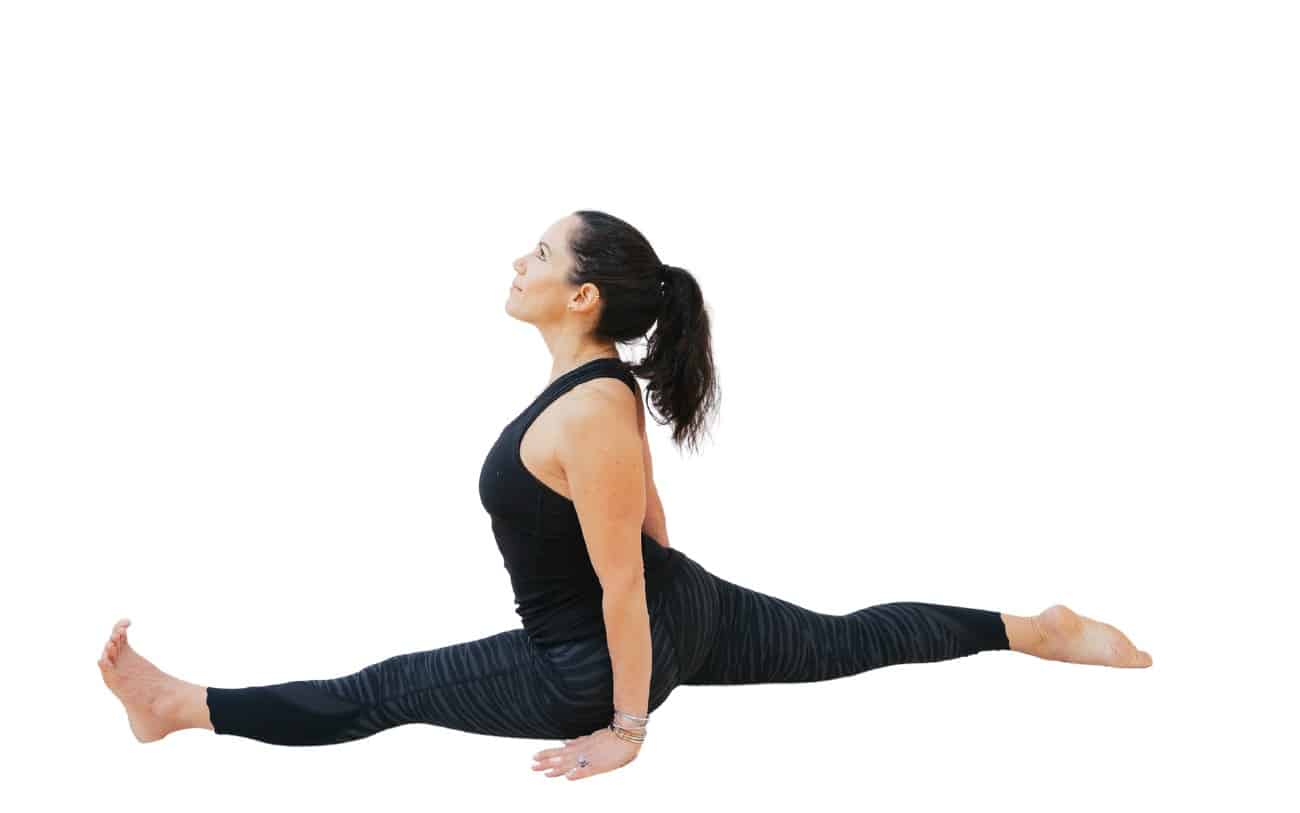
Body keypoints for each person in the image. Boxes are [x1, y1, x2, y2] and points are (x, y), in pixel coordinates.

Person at [97, 210, 1153, 780]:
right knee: (841, 640)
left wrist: (627, 725)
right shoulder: (595, 389)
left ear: (582, 293)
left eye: (541, 254)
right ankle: (1025, 628)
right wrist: (681, 609)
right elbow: (646, 528)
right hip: (677, 605)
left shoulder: (589, 407)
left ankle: (178, 709)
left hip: (596, 658)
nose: (519, 261)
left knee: (382, 689)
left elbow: (617, 581)